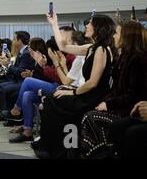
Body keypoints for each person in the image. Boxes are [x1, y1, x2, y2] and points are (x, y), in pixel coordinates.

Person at [33, 12, 115, 159]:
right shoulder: (92, 47)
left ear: (99, 28)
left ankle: (59, 149)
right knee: (51, 98)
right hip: (87, 93)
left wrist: (72, 92)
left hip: (93, 97)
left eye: (90, 23)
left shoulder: (102, 50)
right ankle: (52, 146)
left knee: (53, 100)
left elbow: (92, 83)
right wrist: (54, 24)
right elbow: (63, 46)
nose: (87, 25)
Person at [81, 20, 147, 158]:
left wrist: (108, 103)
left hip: (130, 109)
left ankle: (100, 153)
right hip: (121, 105)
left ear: (126, 37)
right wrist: (105, 102)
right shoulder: (124, 57)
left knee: (90, 117)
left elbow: (132, 96)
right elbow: (117, 90)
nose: (114, 36)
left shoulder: (138, 60)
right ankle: (95, 153)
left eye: (117, 33)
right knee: (89, 113)